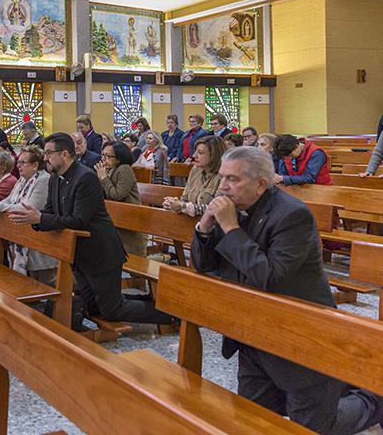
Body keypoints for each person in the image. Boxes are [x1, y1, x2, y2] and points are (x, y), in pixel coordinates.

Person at [191, 146, 381, 434]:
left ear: (261, 184)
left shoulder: (293, 216)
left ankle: (375, 400)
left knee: (315, 426)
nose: (223, 187)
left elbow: (271, 277)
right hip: (253, 332)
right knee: (253, 418)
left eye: (233, 179)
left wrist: (230, 229)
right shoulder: (234, 208)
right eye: (222, 178)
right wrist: (204, 228)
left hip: (302, 332)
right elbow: (204, 266)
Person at [8, 133, 173, 328]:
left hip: (100, 253)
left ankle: (170, 314)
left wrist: (41, 218)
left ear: (64, 154)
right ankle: (151, 302)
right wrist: (35, 217)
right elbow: (50, 212)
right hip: (80, 254)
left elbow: (79, 220)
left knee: (112, 310)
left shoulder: (85, 177)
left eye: (49, 153)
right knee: (94, 308)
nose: (45, 158)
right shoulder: (55, 179)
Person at [0, 146, 54, 285]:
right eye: (18, 162)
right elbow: (10, 199)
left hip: (37, 236)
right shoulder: (23, 179)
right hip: (20, 233)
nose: (18, 166)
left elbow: (28, 208)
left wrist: (0, 207)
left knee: (43, 282)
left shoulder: (43, 180)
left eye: (23, 163)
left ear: (35, 165)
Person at [95, 141, 146, 256]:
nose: (103, 159)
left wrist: (103, 178)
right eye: (103, 155)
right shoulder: (109, 169)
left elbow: (117, 195)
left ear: (119, 158)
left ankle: (161, 258)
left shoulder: (124, 169)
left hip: (129, 218)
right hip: (115, 217)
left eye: (108, 156)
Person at [163, 135, 223, 217]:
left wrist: (182, 206)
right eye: (195, 151)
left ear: (213, 155)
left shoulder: (223, 177)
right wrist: (173, 204)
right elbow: (185, 199)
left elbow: (216, 209)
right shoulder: (195, 170)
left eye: (200, 153)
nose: (194, 156)